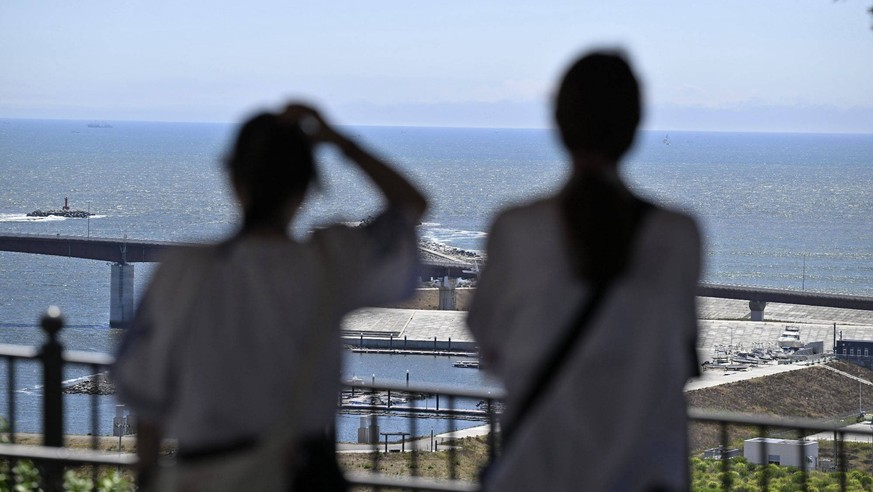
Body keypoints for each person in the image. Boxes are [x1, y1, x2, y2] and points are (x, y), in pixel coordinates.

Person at [112, 104, 427, 489]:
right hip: (301, 476)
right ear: (305, 189)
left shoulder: (183, 269)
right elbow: (411, 205)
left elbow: (143, 392)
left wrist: (148, 477)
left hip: (203, 475)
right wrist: (340, 142)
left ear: (234, 181)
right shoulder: (330, 261)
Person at [467, 51, 701, 491]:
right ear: (634, 127)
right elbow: (680, 356)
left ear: (559, 125)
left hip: (535, 478)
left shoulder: (515, 230)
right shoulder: (678, 236)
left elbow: (492, 351)